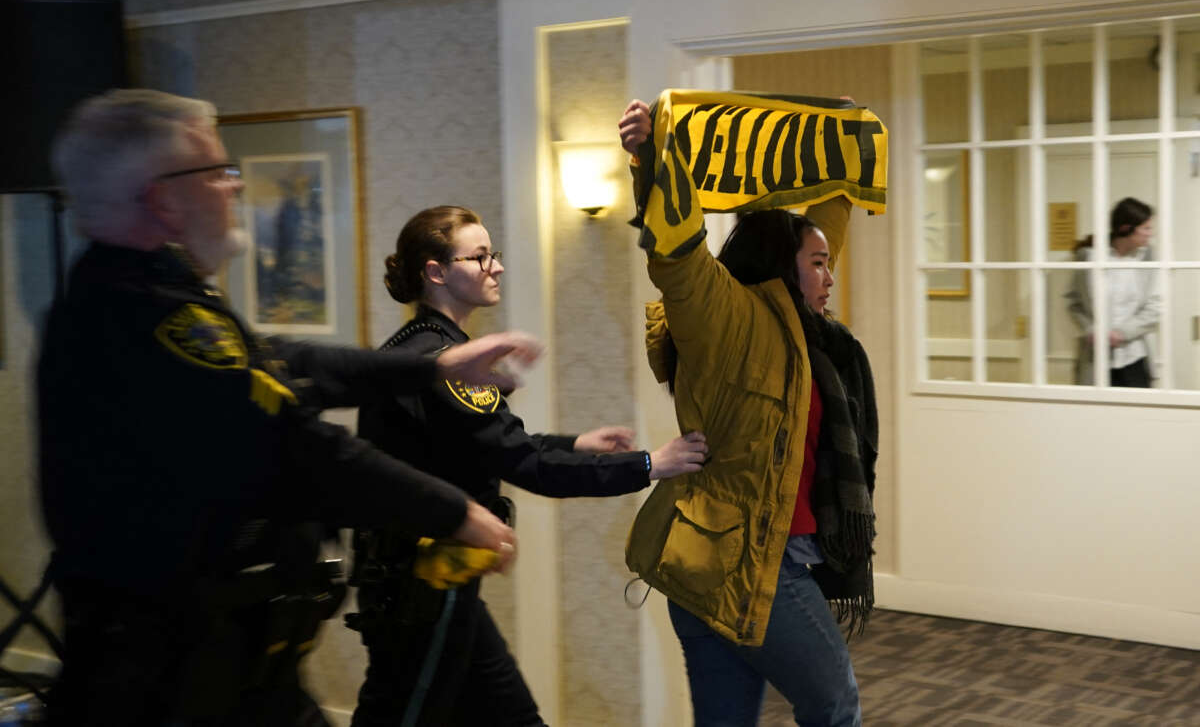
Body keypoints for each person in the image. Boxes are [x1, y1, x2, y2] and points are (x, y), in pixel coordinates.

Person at [38, 88, 530, 726]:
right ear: (162, 198)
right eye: (216, 173)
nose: (235, 186)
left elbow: (284, 361)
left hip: (233, 662)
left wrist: (429, 366)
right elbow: (292, 442)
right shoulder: (141, 316)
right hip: (169, 680)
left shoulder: (157, 291)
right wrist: (452, 510)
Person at [348, 205, 709, 727]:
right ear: (436, 272)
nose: (495, 266)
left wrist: (577, 442)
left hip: (432, 583)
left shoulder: (423, 348)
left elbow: (489, 445)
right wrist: (651, 463)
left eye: (493, 254)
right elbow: (528, 466)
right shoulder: (447, 363)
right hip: (418, 592)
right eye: (479, 256)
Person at [619, 99, 879, 726]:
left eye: (827, 262)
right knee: (835, 703)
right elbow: (677, 256)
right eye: (817, 265)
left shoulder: (806, 335)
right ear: (781, 269)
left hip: (733, 564)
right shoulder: (727, 320)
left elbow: (827, 228)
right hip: (752, 567)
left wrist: (843, 144)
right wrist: (654, 161)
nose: (829, 275)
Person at [1066, 197, 1161, 387]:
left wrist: (1122, 333)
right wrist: (1089, 329)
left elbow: (1155, 306)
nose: (1150, 234)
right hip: (1095, 358)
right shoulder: (1089, 257)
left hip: (1134, 357)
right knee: (1094, 414)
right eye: (1146, 228)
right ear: (1126, 228)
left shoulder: (1148, 259)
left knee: (1137, 414)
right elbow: (1074, 303)